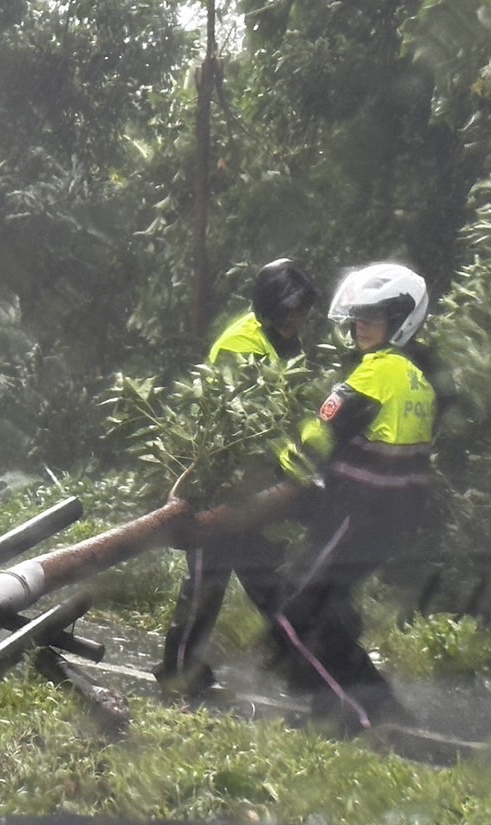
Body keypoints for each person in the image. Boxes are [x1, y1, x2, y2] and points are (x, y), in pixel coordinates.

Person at [269, 261, 438, 732]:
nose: (360, 328)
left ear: (399, 319)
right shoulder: (417, 380)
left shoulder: (373, 375)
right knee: (332, 611)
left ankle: (357, 715)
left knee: (296, 609)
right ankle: (374, 707)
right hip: (392, 520)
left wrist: (275, 466)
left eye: (372, 319)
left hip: (356, 514)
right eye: (358, 318)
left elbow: (317, 436)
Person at [154, 257, 317, 698]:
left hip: (259, 490)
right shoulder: (240, 346)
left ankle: (301, 663)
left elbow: (294, 414)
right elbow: (251, 423)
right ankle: (178, 670)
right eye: (291, 312)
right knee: (208, 583)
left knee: (267, 580)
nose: (299, 320)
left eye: (303, 312)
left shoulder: (287, 345)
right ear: (269, 309)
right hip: (223, 486)